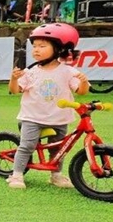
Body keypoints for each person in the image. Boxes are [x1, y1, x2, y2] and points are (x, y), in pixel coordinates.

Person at [6, 23, 89, 189]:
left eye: (42, 46)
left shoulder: (68, 71)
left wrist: (84, 82)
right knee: (27, 146)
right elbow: (15, 90)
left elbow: (81, 92)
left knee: (58, 149)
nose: (36, 50)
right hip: (32, 117)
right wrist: (14, 79)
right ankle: (16, 175)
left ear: (58, 49)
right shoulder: (31, 72)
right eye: (34, 46)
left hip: (59, 118)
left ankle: (56, 176)